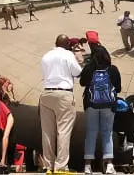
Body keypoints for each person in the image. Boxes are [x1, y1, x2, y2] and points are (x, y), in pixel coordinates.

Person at [39, 35, 83, 172]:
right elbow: (78, 72)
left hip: (46, 94)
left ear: (55, 43)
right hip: (63, 94)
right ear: (68, 44)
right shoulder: (68, 54)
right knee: (63, 131)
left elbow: (44, 74)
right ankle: (60, 167)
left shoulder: (45, 56)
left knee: (47, 132)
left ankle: (48, 165)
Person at [80, 43, 122, 175]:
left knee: (91, 133)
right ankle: (109, 164)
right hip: (108, 105)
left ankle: (88, 166)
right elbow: (119, 88)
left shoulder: (89, 68)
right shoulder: (113, 69)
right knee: (107, 133)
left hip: (91, 104)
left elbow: (82, 83)